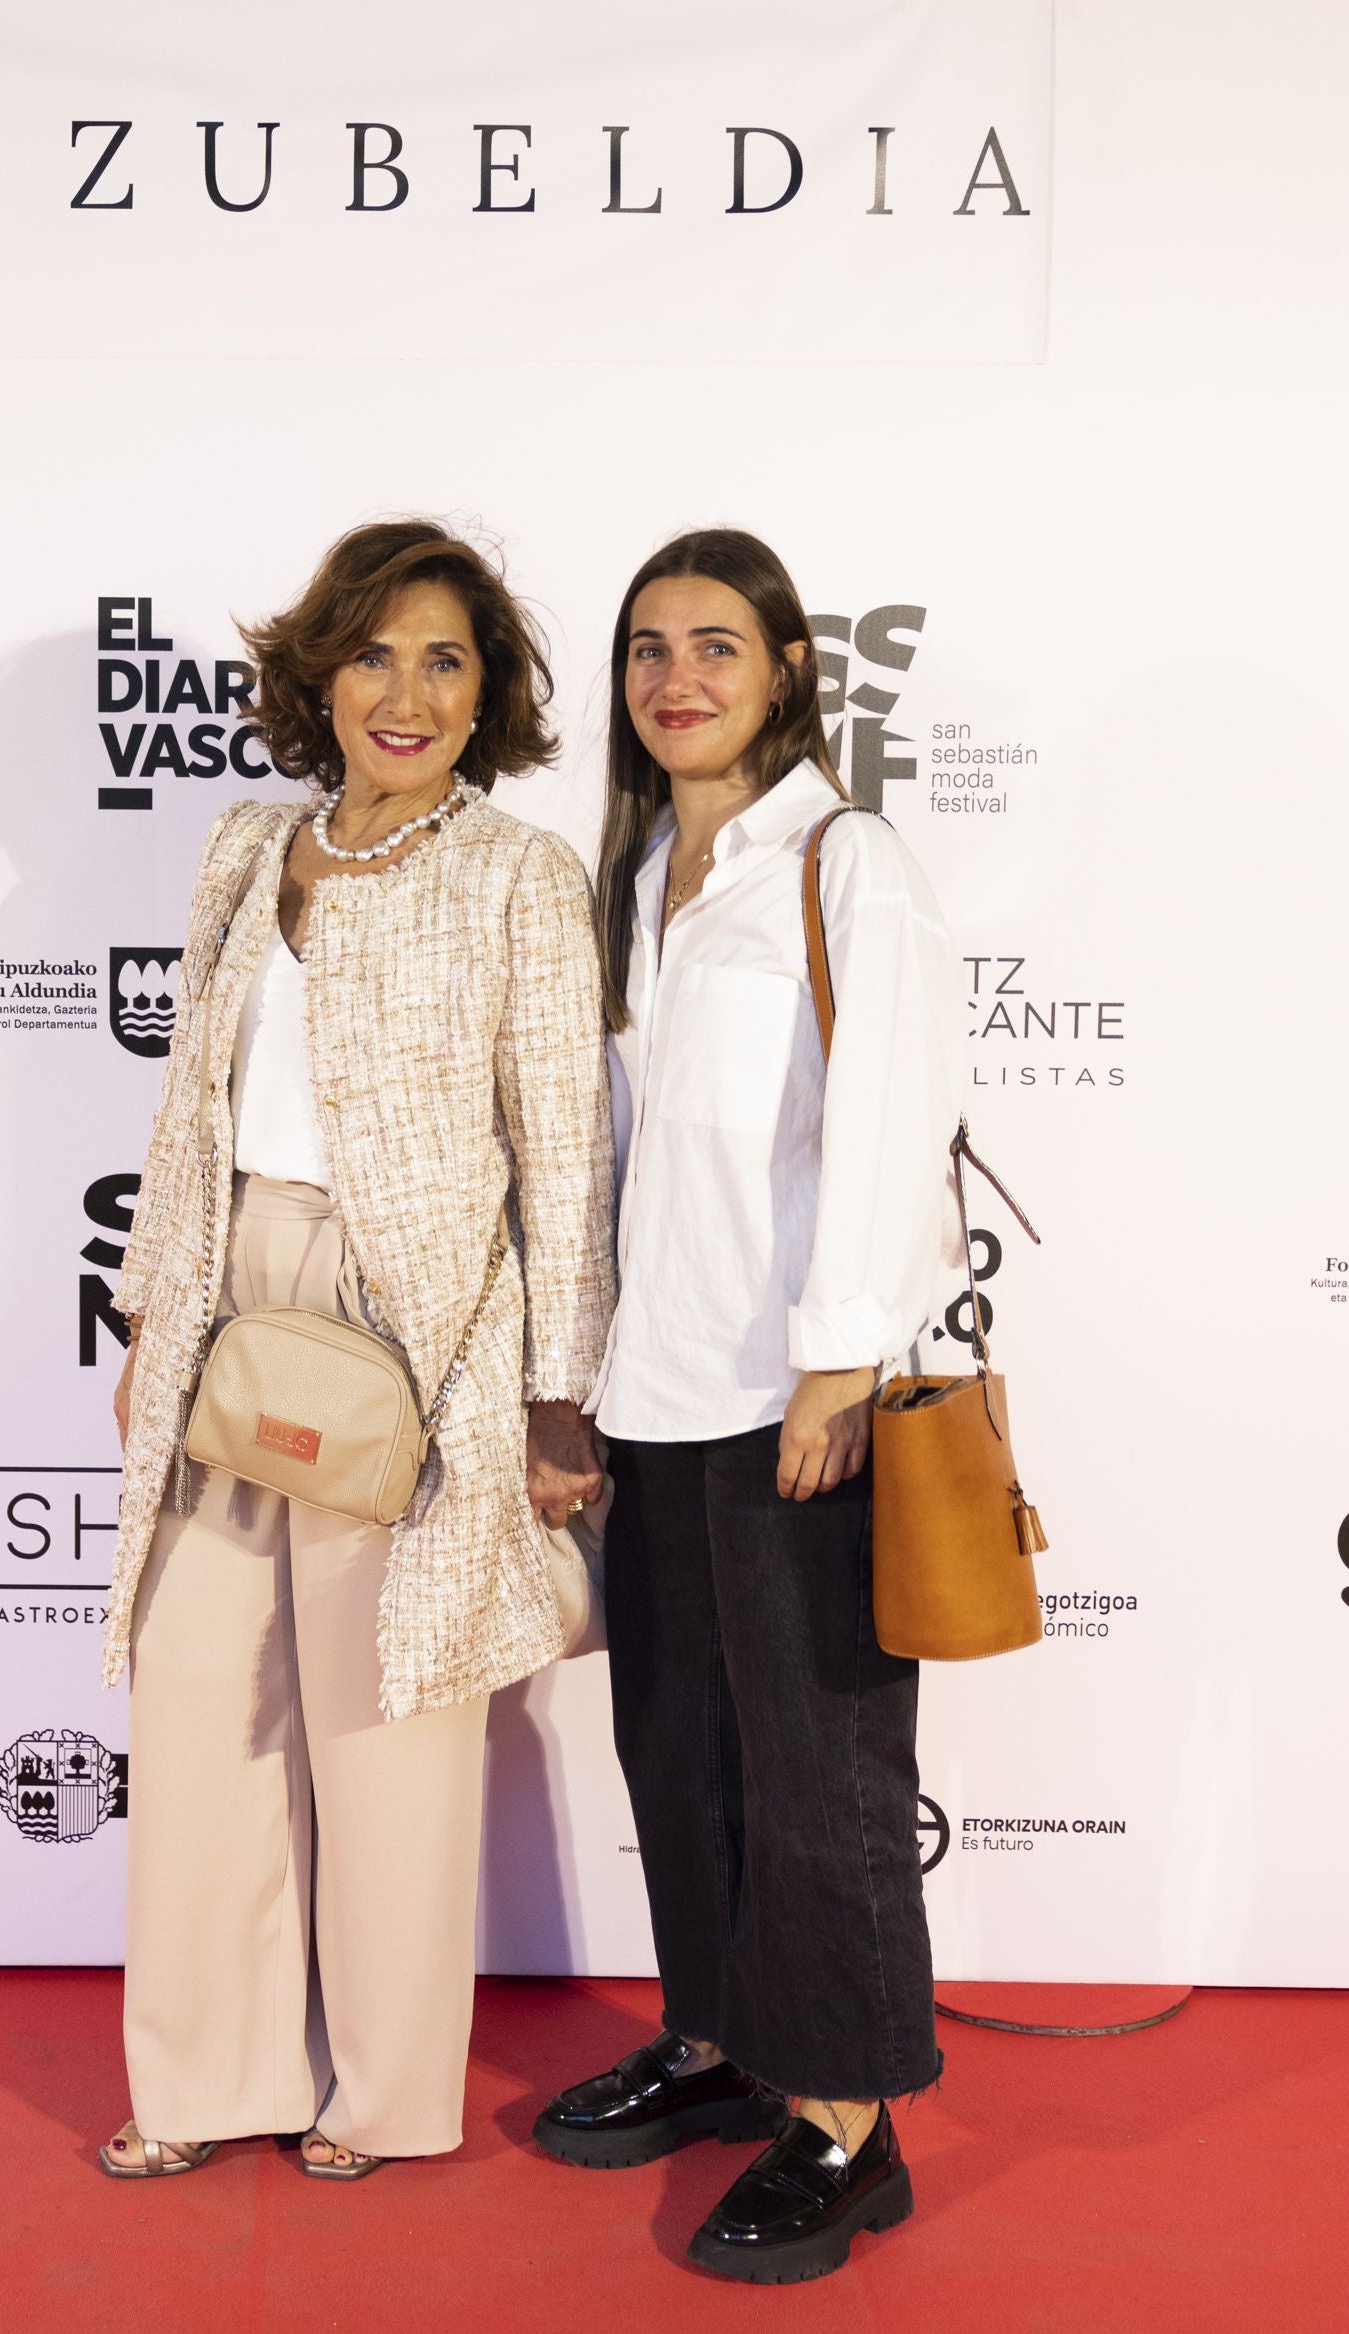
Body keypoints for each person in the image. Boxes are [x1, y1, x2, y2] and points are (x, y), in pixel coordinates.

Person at [95, 520, 613, 2182]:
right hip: (235, 1297)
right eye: (374, 653)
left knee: (389, 1715)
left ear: (491, 695)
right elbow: (185, 1119)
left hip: (423, 1318)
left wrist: (553, 1396)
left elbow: (566, 1152)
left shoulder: (516, 874)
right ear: (319, 670)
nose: (405, 692)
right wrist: (149, 1319)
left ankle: (381, 2096)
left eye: (445, 660)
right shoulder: (249, 848)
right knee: (192, 1691)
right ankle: (201, 2074)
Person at [529, 528, 962, 2284]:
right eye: (646, 647)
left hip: (796, 1392)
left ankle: (849, 2124)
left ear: (787, 664)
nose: (676, 676)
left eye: (715, 643)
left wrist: (842, 1356)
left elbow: (890, 1110)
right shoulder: (637, 874)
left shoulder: (844, 860)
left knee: (822, 1771)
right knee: (678, 1750)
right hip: (658, 1387)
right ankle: (717, 2041)